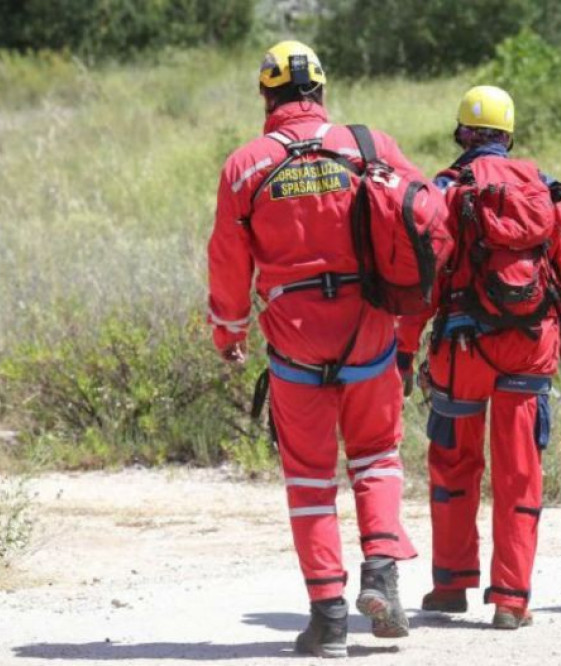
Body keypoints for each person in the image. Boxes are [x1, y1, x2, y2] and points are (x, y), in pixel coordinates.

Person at [208, 40, 436, 658]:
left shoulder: (245, 166)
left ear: (266, 96)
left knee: (309, 482)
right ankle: (382, 577)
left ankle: (329, 621)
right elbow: (428, 219)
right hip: (369, 332)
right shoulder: (371, 148)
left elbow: (228, 264)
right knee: (377, 460)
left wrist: (229, 332)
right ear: (322, 93)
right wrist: (411, 323)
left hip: (295, 343)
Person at [397, 85, 561, 629]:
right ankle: (511, 599)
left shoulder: (445, 190)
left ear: (462, 133)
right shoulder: (545, 189)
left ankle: (450, 585)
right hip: (529, 350)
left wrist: (405, 347)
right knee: (519, 473)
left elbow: (422, 283)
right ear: (509, 135)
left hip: (462, 352)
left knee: (453, 465)